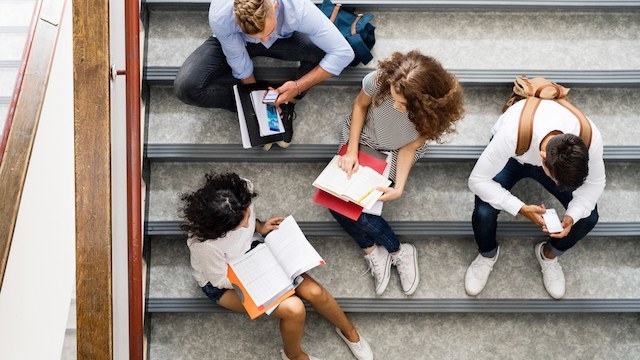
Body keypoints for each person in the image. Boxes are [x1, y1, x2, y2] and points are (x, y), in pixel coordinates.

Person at [181, 173, 373, 360]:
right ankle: (294, 356)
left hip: (254, 254)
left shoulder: (243, 191)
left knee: (314, 292)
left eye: (248, 213)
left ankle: (349, 331)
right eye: (243, 222)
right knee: (294, 308)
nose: (249, 220)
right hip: (226, 283)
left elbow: (249, 221)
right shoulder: (205, 246)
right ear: (222, 227)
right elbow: (220, 280)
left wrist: (260, 227)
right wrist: (266, 278)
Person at [331, 51, 465, 296]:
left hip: (396, 151)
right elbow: (360, 106)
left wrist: (399, 186)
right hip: (362, 138)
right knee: (334, 200)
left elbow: (410, 147)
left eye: (402, 104)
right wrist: (351, 151)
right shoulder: (379, 81)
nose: (395, 105)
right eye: (394, 97)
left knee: (359, 206)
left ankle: (388, 251)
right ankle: (386, 250)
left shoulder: (434, 115)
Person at [465, 97, 605, 299]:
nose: (559, 188)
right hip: (514, 155)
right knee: (484, 210)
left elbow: (595, 183)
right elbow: (477, 181)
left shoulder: (590, 138)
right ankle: (487, 254)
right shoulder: (511, 134)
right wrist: (520, 208)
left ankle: (549, 255)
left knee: (589, 217)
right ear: (542, 158)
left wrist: (572, 216)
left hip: (541, 154)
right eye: (557, 181)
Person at [173, 0, 355, 146]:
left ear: (275, 7)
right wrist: (255, 98)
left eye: (267, 32)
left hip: (286, 40)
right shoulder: (221, 13)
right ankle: (247, 106)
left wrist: (298, 86)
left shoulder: (298, 7)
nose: (264, 40)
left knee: (322, 51)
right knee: (185, 87)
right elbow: (238, 59)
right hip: (237, 42)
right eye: (257, 36)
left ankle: (289, 98)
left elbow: (344, 53)